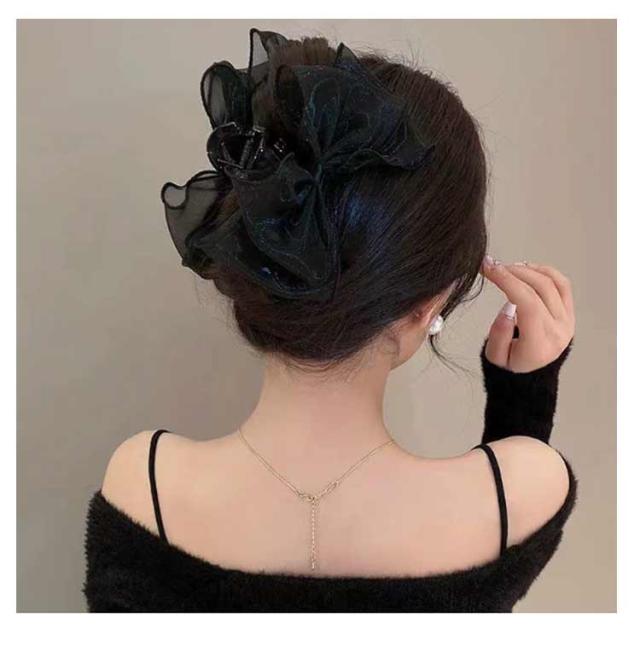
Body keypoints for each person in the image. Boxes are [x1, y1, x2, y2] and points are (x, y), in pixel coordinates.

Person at [83, 28, 577, 612]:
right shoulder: (518, 493)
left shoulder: (143, 485)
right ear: (426, 305)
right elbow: (509, 509)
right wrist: (524, 396)